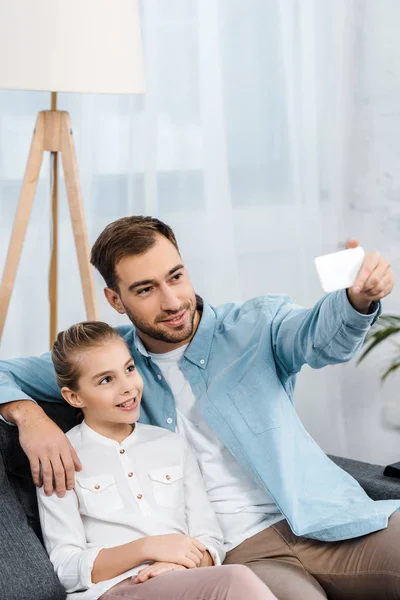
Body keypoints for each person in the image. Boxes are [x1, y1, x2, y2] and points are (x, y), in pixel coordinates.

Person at [1, 215, 399, 600]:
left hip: (330, 521)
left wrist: (356, 300)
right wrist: (28, 415)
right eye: (145, 289)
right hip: (236, 553)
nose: (172, 301)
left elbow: (319, 338)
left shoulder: (256, 324)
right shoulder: (109, 363)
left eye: (175, 277)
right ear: (115, 299)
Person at [40, 320, 275, 600]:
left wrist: (177, 563)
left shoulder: (172, 444)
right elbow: (65, 568)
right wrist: (148, 547)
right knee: (235, 580)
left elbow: (210, 539)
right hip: (115, 590)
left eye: (129, 369)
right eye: (106, 380)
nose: (128, 387)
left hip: (184, 581)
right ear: (74, 396)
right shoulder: (59, 458)